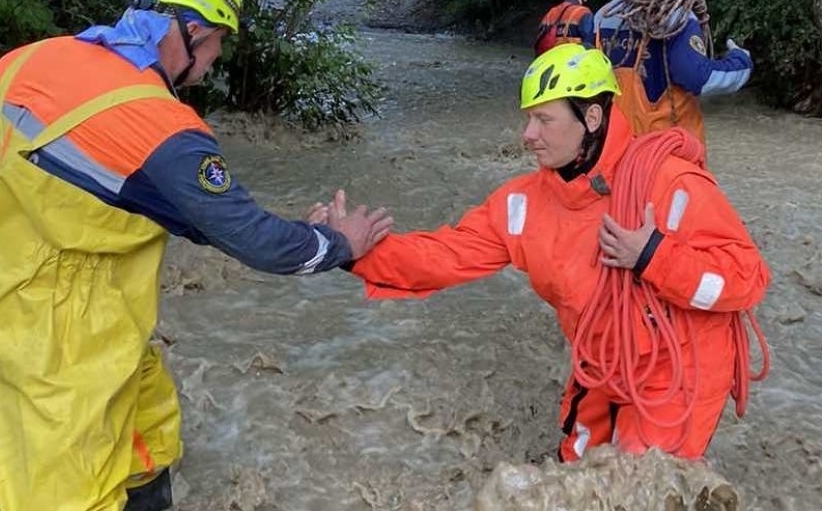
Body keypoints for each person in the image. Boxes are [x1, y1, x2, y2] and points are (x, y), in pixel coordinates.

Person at [0, 0, 393, 511]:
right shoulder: (158, 127)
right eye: (218, 40)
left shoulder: (26, 63)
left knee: (147, 431)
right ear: (189, 31)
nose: (216, 58)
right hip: (59, 335)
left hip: (19, 296)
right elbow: (251, 240)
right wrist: (340, 243)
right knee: (71, 490)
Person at [323, 44, 769, 462]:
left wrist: (654, 254)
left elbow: (747, 278)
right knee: (577, 467)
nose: (527, 135)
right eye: (528, 119)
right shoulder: (525, 204)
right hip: (604, 359)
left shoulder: (670, 185)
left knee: (635, 483)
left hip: (680, 368)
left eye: (543, 120)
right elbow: (445, 255)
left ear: (592, 117)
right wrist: (352, 250)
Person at [594, 0, 754, 147]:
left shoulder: (605, 15)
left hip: (611, 147)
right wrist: (741, 62)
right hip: (660, 154)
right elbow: (697, 77)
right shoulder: (679, 18)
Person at [532, 0, 596, 55]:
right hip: (570, 65)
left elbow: (539, 43)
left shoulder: (551, 12)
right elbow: (589, 49)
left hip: (546, 61)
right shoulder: (584, 13)